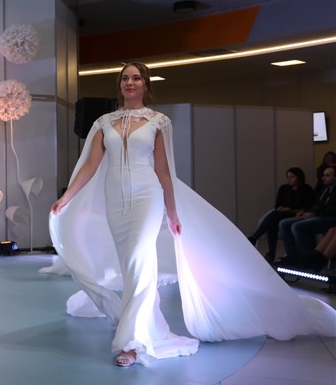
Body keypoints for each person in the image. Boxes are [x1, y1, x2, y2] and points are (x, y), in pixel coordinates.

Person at [47, 62, 336, 367]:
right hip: (114, 200)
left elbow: (164, 171)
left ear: (146, 84)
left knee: (139, 262)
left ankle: (134, 342)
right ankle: (139, 324)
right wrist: (66, 197)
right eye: (125, 78)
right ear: (119, 84)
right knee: (131, 266)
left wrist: (172, 212)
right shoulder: (104, 122)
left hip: (147, 197)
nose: (130, 82)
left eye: (136, 78)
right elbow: (91, 165)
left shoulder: (159, 121)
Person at [246, 167, 315, 260]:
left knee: (274, 217)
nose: (289, 179)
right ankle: (270, 253)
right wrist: (283, 209)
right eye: (288, 177)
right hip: (282, 214)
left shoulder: (307, 189)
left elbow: (307, 206)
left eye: (292, 177)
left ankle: (258, 240)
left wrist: (290, 209)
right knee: (273, 221)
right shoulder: (284, 188)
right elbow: (278, 205)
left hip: (297, 214)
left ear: (299, 177)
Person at [275, 166, 336, 267]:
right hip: (318, 215)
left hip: (329, 218)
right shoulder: (324, 189)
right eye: (323, 175)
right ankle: (292, 256)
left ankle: (307, 257)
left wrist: (314, 214)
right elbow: (316, 204)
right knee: (283, 224)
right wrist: (306, 212)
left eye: (327, 175)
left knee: (297, 226)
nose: (323, 178)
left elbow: (332, 210)